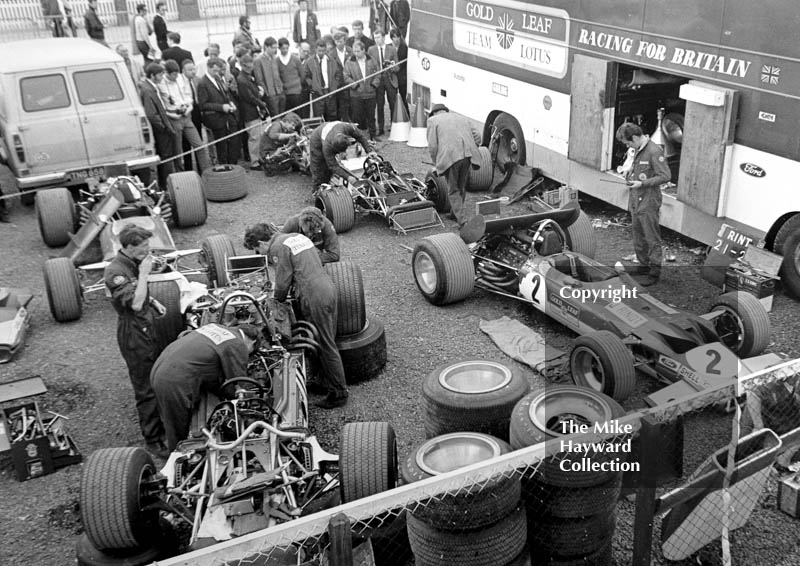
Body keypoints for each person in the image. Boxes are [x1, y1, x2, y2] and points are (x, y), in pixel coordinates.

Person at [244, 224, 348, 409]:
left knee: (325, 344)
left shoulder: (278, 247)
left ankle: (339, 393)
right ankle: (323, 381)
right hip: (327, 288)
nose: (261, 254)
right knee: (319, 340)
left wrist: (274, 301)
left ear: (261, 242)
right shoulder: (294, 237)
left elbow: (282, 283)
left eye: (258, 250)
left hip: (313, 295)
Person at [104, 224, 168, 459]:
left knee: (156, 374)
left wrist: (153, 302)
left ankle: (162, 423)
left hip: (144, 326)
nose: (147, 250)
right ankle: (153, 439)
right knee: (145, 388)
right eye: (142, 247)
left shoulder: (131, 263)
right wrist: (144, 274)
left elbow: (140, 297)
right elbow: (134, 304)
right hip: (133, 333)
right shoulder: (116, 271)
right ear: (129, 247)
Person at [151, 323, 260, 451]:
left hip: (160, 367)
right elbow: (238, 382)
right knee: (177, 427)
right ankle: (177, 461)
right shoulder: (238, 343)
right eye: (252, 351)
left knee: (169, 417)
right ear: (252, 341)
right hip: (174, 380)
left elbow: (209, 366)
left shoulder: (214, 327)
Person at [615, 122, 671, 286]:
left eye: (628, 143)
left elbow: (665, 176)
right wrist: (629, 176)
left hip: (649, 200)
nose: (627, 146)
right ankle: (643, 265)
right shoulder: (638, 149)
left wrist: (643, 184)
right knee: (638, 235)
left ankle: (654, 272)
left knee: (651, 236)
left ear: (634, 138)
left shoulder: (654, 151)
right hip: (636, 198)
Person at [427, 104, 482, 230]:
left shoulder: (432, 121)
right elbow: (477, 136)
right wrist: (473, 147)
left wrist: (437, 163)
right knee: (461, 185)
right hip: (467, 154)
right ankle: (454, 213)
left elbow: (433, 146)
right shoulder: (460, 117)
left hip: (450, 156)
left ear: (434, 113)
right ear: (445, 111)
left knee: (453, 189)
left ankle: (463, 222)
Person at [159, 60, 210, 173]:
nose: (176, 76)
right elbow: (162, 105)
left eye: (177, 74)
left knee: (199, 145)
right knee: (178, 151)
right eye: (173, 74)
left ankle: (206, 172)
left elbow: (188, 96)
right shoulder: (161, 84)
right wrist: (172, 113)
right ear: (166, 73)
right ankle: (181, 175)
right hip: (174, 119)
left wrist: (187, 108)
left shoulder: (181, 79)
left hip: (187, 117)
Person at [198, 56, 241, 165]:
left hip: (226, 115)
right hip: (216, 118)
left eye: (218, 70)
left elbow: (224, 94)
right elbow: (203, 105)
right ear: (208, 67)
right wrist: (221, 107)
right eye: (214, 70)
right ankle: (224, 167)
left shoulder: (217, 78)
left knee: (233, 142)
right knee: (221, 146)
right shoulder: (203, 83)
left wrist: (230, 103)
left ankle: (232, 165)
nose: (216, 73)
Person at [140, 63, 176, 188]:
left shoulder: (149, 87)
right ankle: (166, 185)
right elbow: (151, 114)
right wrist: (164, 127)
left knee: (164, 158)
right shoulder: (148, 89)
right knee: (165, 158)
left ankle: (164, 185)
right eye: (160, 74)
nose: (162, 77)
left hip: (160, 129)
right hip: (160, 131)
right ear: (152, 75)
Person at [308, 120, 372, 189]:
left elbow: (361, 136)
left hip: (331, 128)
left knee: (332, 169)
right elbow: (332, 165)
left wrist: (369, 151)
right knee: (320, 170)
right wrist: (347, 177)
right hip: (316, 140)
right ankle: (317, 192)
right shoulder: (327, 147)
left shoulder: (347, 127)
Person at [237, 53, 268, 170]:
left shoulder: (247, 77)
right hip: (249, 113)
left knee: (258, 136)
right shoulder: (242, 79)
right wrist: (262, 103)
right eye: (250, 65)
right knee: (254, 137)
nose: (252, 67)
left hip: (254, 111)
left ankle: (258, 159)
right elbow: (249, 97)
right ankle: (255, 162)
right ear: (245, 65)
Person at [344, 41, 380, 139]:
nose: (356, 54)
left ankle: (373, 134)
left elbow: (378, 73)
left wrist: (374, 85)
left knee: (371, 115)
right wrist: (354, 85)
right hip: (356, 95)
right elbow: (346, 76)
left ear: (363, 50)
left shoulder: (372, 60)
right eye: (354, 51)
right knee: (357, 116)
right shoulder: (349, 62)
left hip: (370, 93)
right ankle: (358, 136)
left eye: (358, 51)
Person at [367, 29, 397, 138]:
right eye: (375, 38)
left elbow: (397, 67)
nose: (377, 40)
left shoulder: (392, 49)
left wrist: (391, 67)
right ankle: (380, 128)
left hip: (390, 79)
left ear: (384, 37)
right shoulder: (371, 50)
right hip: (378, 80)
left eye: (378, 37)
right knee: (379, 104)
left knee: (393, 103)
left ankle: (394, 125)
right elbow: (369, 65)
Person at [179, 60, 205, 172]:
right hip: (186, 112)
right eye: (190, 70)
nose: (193, 72)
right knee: (186, 143)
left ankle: (201, 168)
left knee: (198, 139)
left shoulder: (197, 80)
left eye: (194, 69)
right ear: (183, 71)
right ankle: (188, 168)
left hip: (196, 111)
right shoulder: (179, 82)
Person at [304, 40, 340, 121]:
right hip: (317, 93)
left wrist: (334, 87)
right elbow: (305, 76)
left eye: (323, 51)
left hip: (330, 92)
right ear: (315, 50)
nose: (321, 53)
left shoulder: (331, 60)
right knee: (319, 116)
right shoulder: (309, 62)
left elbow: (337, 74)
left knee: (332, 115)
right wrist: (313, 85)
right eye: (319, 51)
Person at [254, 37, 285, 117]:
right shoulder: (258, 60)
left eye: (276, 48)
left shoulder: (274, 58)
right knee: (275, 117)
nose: (275, 50)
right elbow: (259, 79)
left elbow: (278, 74)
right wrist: (267, 93)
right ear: (266, 47)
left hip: (280, 92)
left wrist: (281, 88)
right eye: (273, 48)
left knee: (282, 115)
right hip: (270, 94)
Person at [277, 38, 306, 115]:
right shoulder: (277, 61)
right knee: (288, 114)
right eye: (283, 48)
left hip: (296, 91)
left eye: (287, 48)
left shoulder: (295, 59)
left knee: (299, 113)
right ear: (279, 48)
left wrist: (298, 85)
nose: (285, 50)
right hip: (285, 92)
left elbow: (302, 74)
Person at [331, 32, 353, 121]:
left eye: (341, 41)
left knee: (352, 106)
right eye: (337, 41)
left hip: (351, 83)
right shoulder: (331, 54)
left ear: (344, 41)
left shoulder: (351, 51)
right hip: (339, 85)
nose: (339, 43)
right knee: (342, 107)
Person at [389, 27, 408, 114]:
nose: (396, 39)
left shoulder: (405, 48)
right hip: (392, 78)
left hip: (401, 78)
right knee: (393, 100)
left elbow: (405, 64)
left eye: (397, 37)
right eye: (394, 37)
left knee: (403, 99)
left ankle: (406, 117)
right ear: (391, 38)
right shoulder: (388, 47)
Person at [296, 41, 312, 119]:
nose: (306, 53)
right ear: (299, 50)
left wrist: (309, 83)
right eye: (304, 51)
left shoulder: (311, 60)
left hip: (305, 89)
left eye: (307, 51)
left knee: (306, 111)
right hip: (295, 90)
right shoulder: (295, 59)